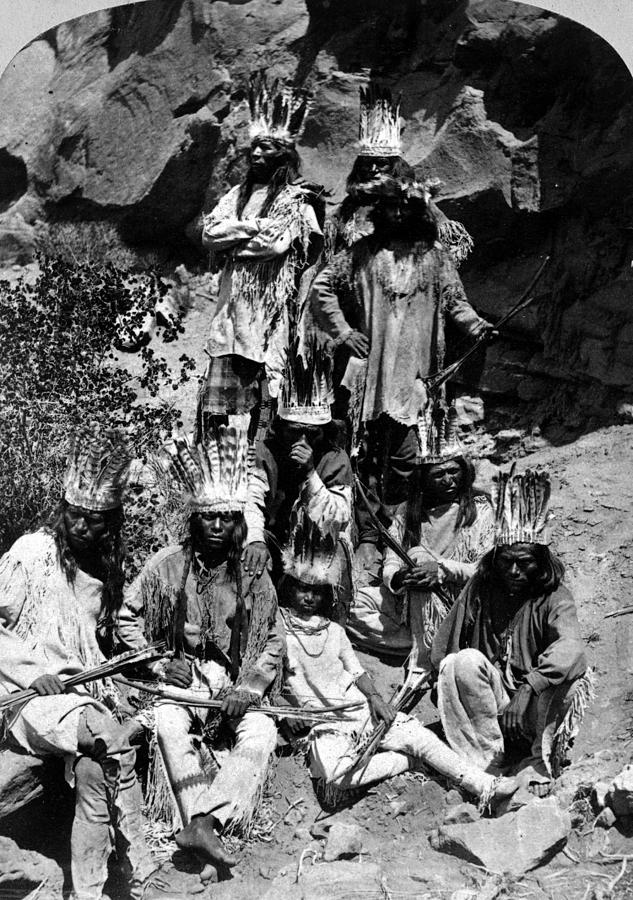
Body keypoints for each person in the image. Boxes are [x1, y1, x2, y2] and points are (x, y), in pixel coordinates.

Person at [0, 430, 179, 900]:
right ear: (63, 512)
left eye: (95, 520)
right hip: (24, 699)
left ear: (111, 522)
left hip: (75, 696)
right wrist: (27, 671)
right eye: (75, 516)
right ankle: (142, 862)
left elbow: (92, 649)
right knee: (111, 739)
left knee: (97, 770)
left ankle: (91, 888)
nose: (83, 527)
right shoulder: (31, 553)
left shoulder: (102, 570)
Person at [118, 416, 284, 873]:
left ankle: (204, 818)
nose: (216, 526)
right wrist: (157, 665)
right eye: (208, 516)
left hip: (233, 681)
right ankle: (203, 822)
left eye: (227, 518)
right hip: (185, 677)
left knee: (264, 732)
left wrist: (248, 687)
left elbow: (272, 638)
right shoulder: (166, 565)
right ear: (194, 519)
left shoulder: (253, 573)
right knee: (169, 718)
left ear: (237, 524)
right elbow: (125, 619)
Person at [277, 535, 517, 807]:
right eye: (303, 589)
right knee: (336, 775)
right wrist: (285, 709)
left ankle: (485, 785)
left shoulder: (334, 630)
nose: (309, 597)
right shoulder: (277, 630)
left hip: (359, 709)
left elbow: (357, 672)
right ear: (289, 589)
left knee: (421, 739)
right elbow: (266, 679)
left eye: (318, 590)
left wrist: (376, 699)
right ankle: (406, 761)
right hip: (323, 724)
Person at [310, 179, 494, 525]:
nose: (397, 213)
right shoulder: (361, 254)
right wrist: (344, 332)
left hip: (416, 377)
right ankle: (366, 533)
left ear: (419, 212)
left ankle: (398, 529)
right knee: (365, 456)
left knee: (407, 460)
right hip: (371, 375)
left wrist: (477, 326)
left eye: (405, 208)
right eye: (390, 207)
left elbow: (456, 302)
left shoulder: (437, 258)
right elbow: (322, 287)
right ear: (379, 211)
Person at [431, 468, 589, 797]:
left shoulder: (554, 597)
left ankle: (536, 760)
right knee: (459, 663)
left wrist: (530, 687)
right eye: (506, 561)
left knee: (569, 682)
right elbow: (445, 645)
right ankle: (490, 759)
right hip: (494, 702)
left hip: (532, 706)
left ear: (540, 561)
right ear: (496, 559)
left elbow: (571, 646)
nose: (514, 571)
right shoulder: (481, 586)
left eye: (525, 562)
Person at [198, 72, 324, 425]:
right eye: (253, 147)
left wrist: (233, 242)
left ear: (283, 154)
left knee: (265, 390)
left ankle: (259, 464)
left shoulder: (295, 198)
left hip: (267, 306)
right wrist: (253, 226)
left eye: (265, 147)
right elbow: (210, 233)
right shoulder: (236, 194)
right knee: (219, 399)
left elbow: (276, 243)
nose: (255, 153)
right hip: (231, 305)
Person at [348, 400, 495, 667]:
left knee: (417, 557)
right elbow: (391, 559)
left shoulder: (481, 511)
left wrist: (440, 570)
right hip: (412, 602)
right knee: (352, 605)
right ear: (424, 478)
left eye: (454, 472)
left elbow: (486, 569)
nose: (449, 480)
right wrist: (399, 577)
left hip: (460, 601)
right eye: (439, 474)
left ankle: (427, 654)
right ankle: (428, 642)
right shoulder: (408, 511)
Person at [245, 337, 354, 619]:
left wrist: (309, 473)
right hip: (273, 536)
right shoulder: (265, 451)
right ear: (281, 429)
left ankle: (327, 631)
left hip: (318, 540)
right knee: (245, 547)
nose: (303, 440)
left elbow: (338, 516)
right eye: (295, 431)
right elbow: (252, 498)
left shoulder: (334, 457)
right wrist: (255, 539)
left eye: (311, 432)